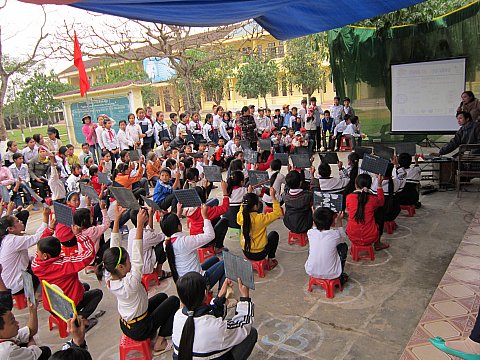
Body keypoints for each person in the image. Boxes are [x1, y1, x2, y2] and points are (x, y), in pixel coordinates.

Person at [104, 206, 179, 354]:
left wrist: (117, 220)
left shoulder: (110, 276)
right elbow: (138, 257)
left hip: (128, 322)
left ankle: (155, 332)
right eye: (128, 261)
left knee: (163, 297)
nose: (130, 261)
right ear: (120, 267)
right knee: (174, 301)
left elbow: (113, 248)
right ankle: (159, 342)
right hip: (140, 328)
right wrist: (139, 226)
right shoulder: (129, 283)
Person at [172, 272, 257, 360]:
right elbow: (244, 325)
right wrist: (245, 298)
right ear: (206, 292)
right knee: (251, 333)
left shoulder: (178, 315)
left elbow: (209, 314)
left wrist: (220, 296)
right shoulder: (216, 327)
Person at [32, 233, 103, 329]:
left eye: (37, 251)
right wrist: (79, 235)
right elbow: (88, 255)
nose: (36, 253)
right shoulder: (66, 265)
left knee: (85, 286)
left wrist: (50, 230)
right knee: (98, 293)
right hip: (67, 307)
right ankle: (79, 319)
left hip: (51, 303)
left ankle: (77, 314)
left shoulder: (37, 265)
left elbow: (42, 248)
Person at [161, 203, 226, 292]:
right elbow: (210, 235)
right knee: (225, 264)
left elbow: (171, 228)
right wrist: (205, 216)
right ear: (179, 226)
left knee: (215, 259)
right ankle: (221, 297)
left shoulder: (167, 242)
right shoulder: (185, 242)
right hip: (198, 284)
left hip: (184, 283)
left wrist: (178, 214)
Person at [0, 207, 51, 297]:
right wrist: (45, 218)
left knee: (38, 261)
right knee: (47, 269)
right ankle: (37, 295)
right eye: (17, 221)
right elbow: (38, 237)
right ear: (11, 229)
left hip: (9, 284)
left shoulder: (7, 239)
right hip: (16, 285)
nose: (21, 221)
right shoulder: (13, 241)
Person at [237, 188, 281, 268]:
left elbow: (242, 208)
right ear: (255, 206)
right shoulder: (260, 218)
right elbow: (278, 213)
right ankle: (270, 261)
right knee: (274, 235)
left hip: (245, 251)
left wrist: (248, 195)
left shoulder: (240, 216)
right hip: (259, 254)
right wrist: (273, 197)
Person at [305, 207, 348, 284]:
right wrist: (339, 221)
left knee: (313, 247)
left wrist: (314, 214)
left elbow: (315, 227)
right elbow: (343, 238)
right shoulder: (335, 235)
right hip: (332, 274)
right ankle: (340, 277)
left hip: (311, 271)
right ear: (332, 222)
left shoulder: (310, 233)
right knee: (343, 246)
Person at [346, 173, 388, 251]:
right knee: (379, 214)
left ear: (356, 185)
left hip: (352, 235)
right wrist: (379, 185)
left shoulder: (349, 197)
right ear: (370, 185)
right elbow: (381, 202)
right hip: (371, 236)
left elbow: (349, 211)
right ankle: (377, 243)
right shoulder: (373, 199)